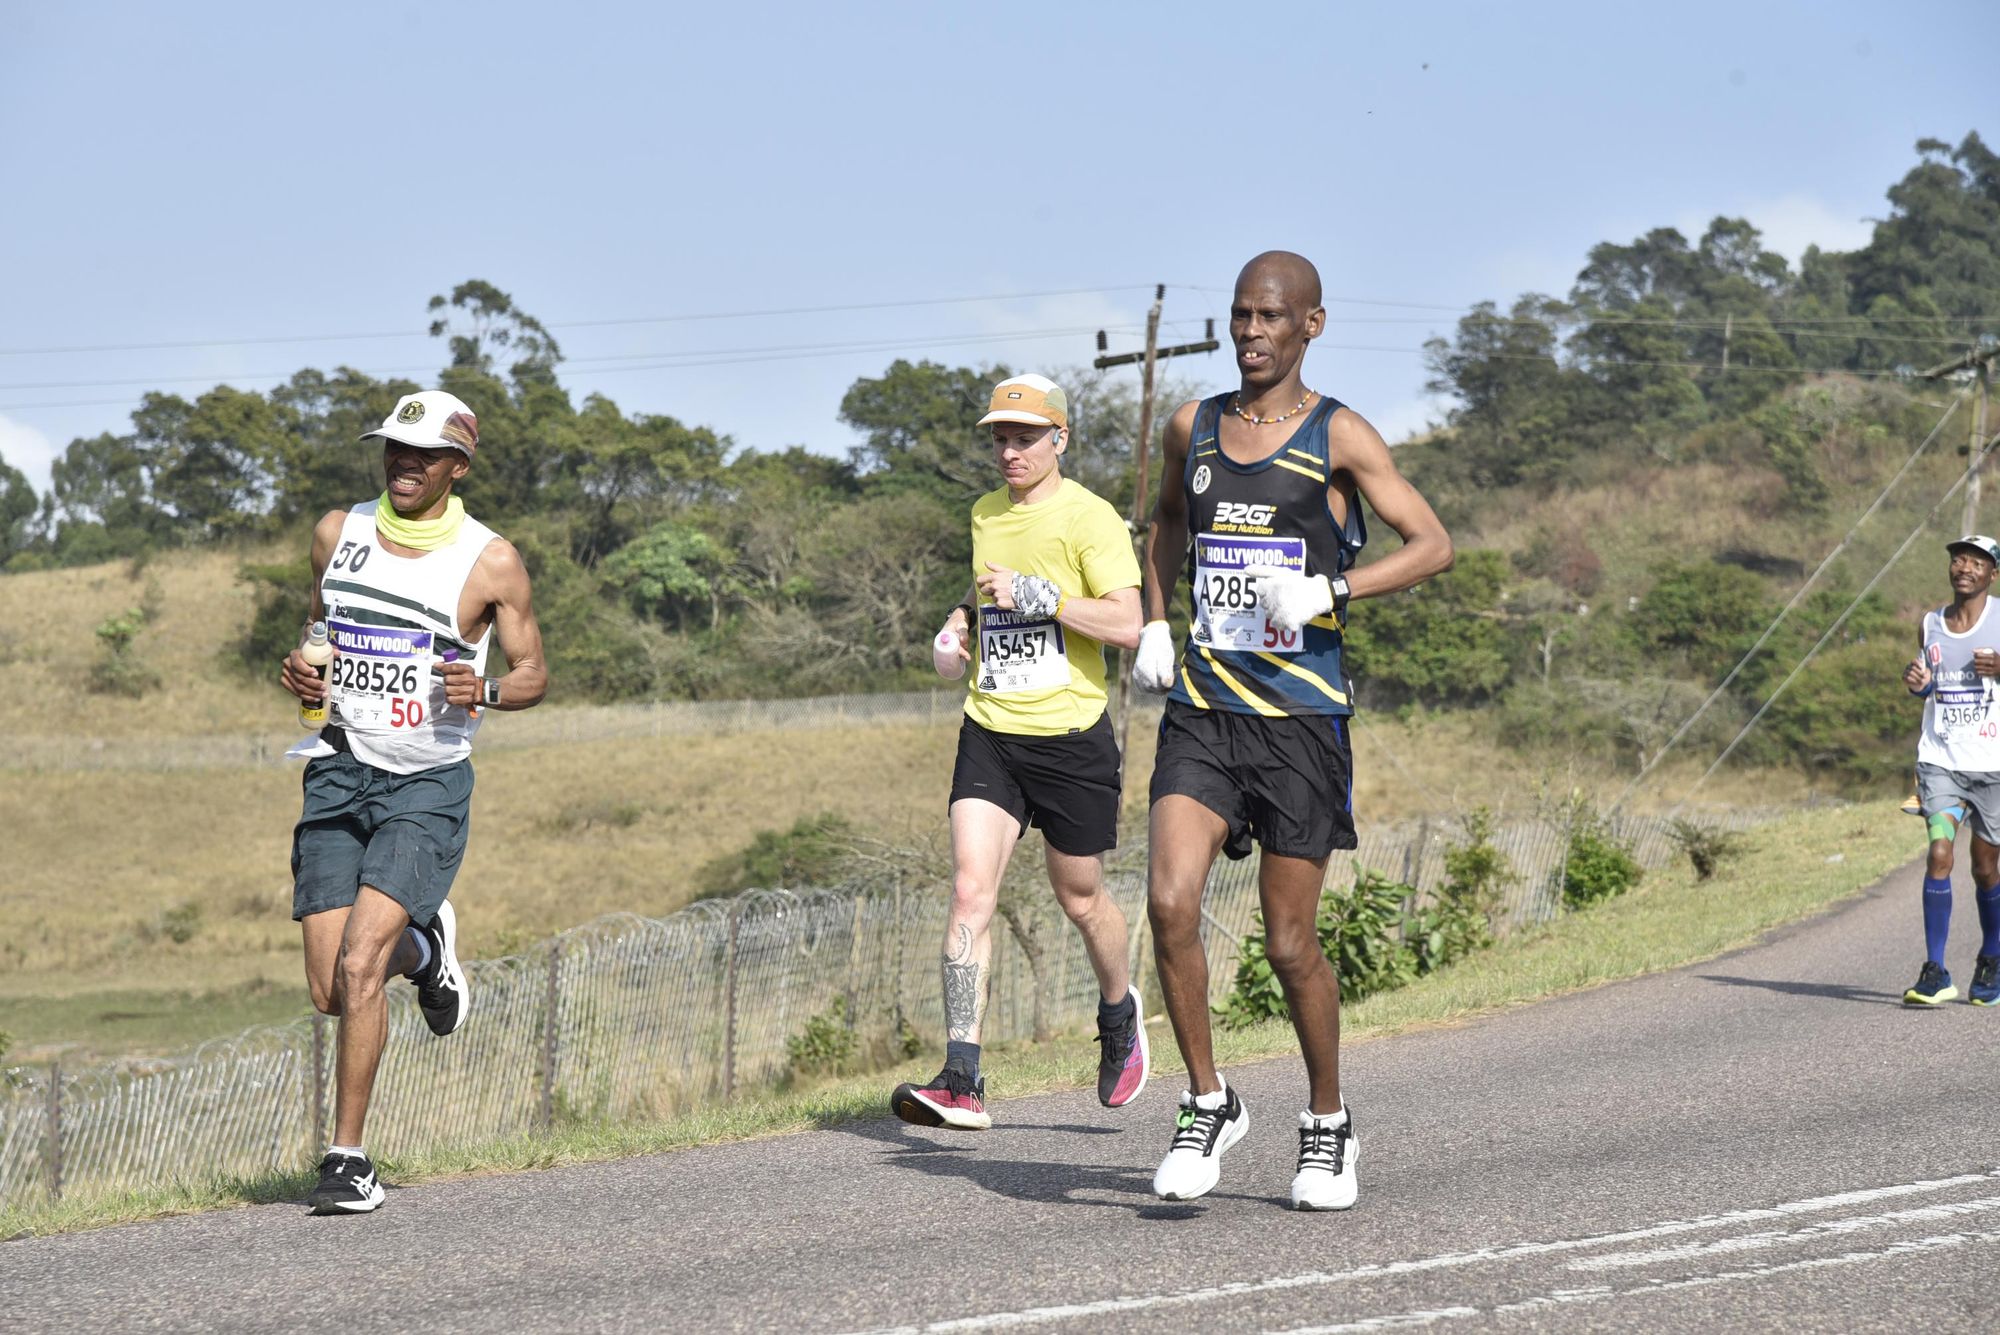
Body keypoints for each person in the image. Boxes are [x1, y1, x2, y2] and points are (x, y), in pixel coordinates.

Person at [1131, 252, 1453, 1210]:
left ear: (1311, 324)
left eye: (1270, 317)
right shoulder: (1194, 425)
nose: (1250, 333)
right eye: (1239, 316)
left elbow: (1434, 544)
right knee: (1170, 901)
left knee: (1287, 943)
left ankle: (1327, 1123)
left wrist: (1332, 587)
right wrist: (1155, 618)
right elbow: (1162, 528)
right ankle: (1207, 1100)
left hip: (1302, 722)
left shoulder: (1338, 434)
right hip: (1205, 711)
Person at [280, 389, 548, 1213]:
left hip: (425, 783)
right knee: (331, 988)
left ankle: (348, 1159)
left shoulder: (489, 560)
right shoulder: (337, 532)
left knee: (362, 965)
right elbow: (321, 636)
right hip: (336, 769)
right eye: (393, 448)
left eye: (422, 454)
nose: (403, 463)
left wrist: (490, 691)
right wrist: (299, 671)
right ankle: (428, 953)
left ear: (456, 466)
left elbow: (534, 672)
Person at [890, 373, 1150, 1130]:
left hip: (1071, 738)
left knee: (1079, 896)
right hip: (992, 730)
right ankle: (962, 1075)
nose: (1009, 450)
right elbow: (984, 597)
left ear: (1059, 439)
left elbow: (1129, 623)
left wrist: (1045, 599)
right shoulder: (983, 513)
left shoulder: (1091, 518)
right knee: (971, 890)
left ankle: (1118, 1011)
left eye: (1025, 437)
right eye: (999, 437)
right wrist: (956, 628)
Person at [1900, 534, 2000, 1007]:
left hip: (1994, 766)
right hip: (1941, 760)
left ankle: (1992, 956)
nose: (1964, 567)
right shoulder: (1931, 623)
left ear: (1991, 574)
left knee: (1985, 869)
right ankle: (1936, 970)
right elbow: (1928, 680)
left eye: (1976, 562)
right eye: (1958, 559)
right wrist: (1917, 683)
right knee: (1940, 853)